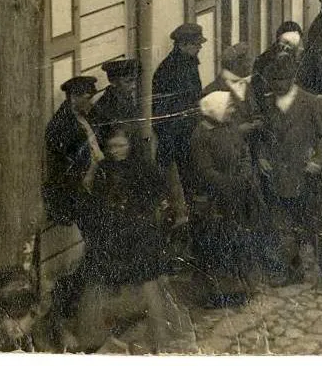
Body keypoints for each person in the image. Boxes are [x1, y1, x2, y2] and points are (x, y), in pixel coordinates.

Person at [72, 126, 173, 352]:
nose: (115, 150)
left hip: (138, 235)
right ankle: (91, 336)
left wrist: (142, 212)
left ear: (130, 145)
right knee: (98, 278)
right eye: (111, 146)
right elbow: (94, 199)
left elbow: (159, 192)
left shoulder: (144, 168)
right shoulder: (103, 169)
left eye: (120, 145)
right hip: (110, 233)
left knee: (147, 281)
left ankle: (157, 337)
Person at [254, 54, 322, 289]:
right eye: (273, 81)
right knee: (286, 228)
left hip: (308, 177)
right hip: (280, 177)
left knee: (317, 227)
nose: (277, 86)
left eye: (281, 80)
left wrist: (318, 160)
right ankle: (293, 270)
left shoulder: (312, 103)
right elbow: (263, 136)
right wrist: (261, 156)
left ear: (292, 79)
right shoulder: (268, 104)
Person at [189, 90, 264, 308]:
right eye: (228, 107)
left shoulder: (229, 127)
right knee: (217, 245)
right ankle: (217, 295)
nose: (232, 110)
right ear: (215, 109)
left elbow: (243, 153)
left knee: (237, 241)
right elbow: (206, 171)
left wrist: (244, 174)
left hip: (236, 194)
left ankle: (239, 288)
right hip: (214, 200)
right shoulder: (201, 135)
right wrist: (232, 184)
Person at [151, 23, 207, 219]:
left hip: (188, 133)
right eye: (196, 44)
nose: (200, 47)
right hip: (177, 138)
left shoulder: (188, 63)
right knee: (182, 187)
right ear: (183, 45)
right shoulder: (170, 71)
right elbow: (163, 112)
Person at [44, 75, 103, 227]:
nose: (91, 102)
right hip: (79, 189)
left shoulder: (86, 115)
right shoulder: (61, 125)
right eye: (87, 98)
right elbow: (64, 168)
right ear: (74, 97)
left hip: (96, 179)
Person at [92, 58, 147, 158]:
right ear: (113, 82)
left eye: (134, 80)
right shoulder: (104, 106)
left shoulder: (127, 99)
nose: (133, 86)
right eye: (128, 81)